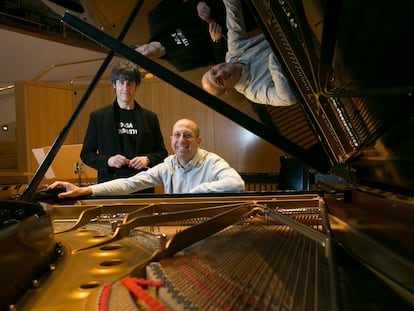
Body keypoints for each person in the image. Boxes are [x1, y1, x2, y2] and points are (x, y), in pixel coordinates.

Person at [50, 119, 245, 197]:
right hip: (174, 226)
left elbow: (237, 184)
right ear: (171, 140)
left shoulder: (212, 161)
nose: (181, 140)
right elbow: (129, 184)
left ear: (198, 140)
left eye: (187, 135)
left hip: (207, 228)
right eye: (177, 135)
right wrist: (84, 190)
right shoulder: (167, 165)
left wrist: (198, 191)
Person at [80, 61, 168, 187]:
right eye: (121, 83)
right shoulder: (98, 117)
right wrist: (108, 160)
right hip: (109, 185)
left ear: (136, 86)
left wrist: (147, 159)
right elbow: (86, 154)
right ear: (114, 85)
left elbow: (162, 153)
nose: (125, 88)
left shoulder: (150, 117)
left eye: (129, 83)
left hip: (142, 184)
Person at [201, 0, 298, 107]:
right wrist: (275, 58)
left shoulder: (234, 52)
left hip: (295, 25)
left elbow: (232, 8)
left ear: (215, 66)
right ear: (229, 89)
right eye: (219, 81)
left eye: (214, 72)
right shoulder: (254, 92)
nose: (220, 73)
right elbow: (287, 98)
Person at [131, 0, 227, 72]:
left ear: (138, 46)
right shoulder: (181, 64)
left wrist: (198, 3)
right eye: (143, 59)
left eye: (139, 53)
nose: (145, 54)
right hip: (230, 29)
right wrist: (217, 41)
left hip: (218, 3)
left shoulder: (155, 18)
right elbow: (218, 60)